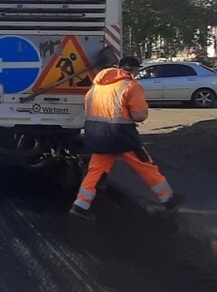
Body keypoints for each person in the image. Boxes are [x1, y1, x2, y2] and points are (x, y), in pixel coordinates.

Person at [70, 56, 184, 220]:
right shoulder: (131, 86)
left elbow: (87, 108)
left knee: (96, 170)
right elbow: (139, 115)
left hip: (97, 135)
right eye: (137, 70)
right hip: (122, 136)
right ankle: (169, 200)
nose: (137, 74)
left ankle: (80, 206)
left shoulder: (96, 87)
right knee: (145, 165)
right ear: (132, 70)